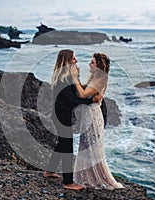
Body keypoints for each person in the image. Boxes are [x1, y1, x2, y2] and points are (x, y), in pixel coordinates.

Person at [43, 49, 100, 190]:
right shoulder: (64, 79)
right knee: (67, 147)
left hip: (60, 114)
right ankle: (68, 182)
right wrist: (91, 100)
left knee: (62, 144)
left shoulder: (65, 76)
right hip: (61, 116)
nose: (76, 61)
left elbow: (76, 93)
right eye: (74, 59)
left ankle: (49, 171)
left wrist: (81, 80)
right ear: (67, 61)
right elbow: (73, 100)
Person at [70, 53, 124, 190]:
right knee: (84, 147)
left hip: (93, 116)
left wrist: (75, 78)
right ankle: (87, 177)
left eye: (92, 62)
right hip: (88, 115)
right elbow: (82, 90)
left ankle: (98, 178)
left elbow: (82, 94)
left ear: (99, 65)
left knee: (92, 148)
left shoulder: (100, 80)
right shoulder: (95, 78)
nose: (89, 64)